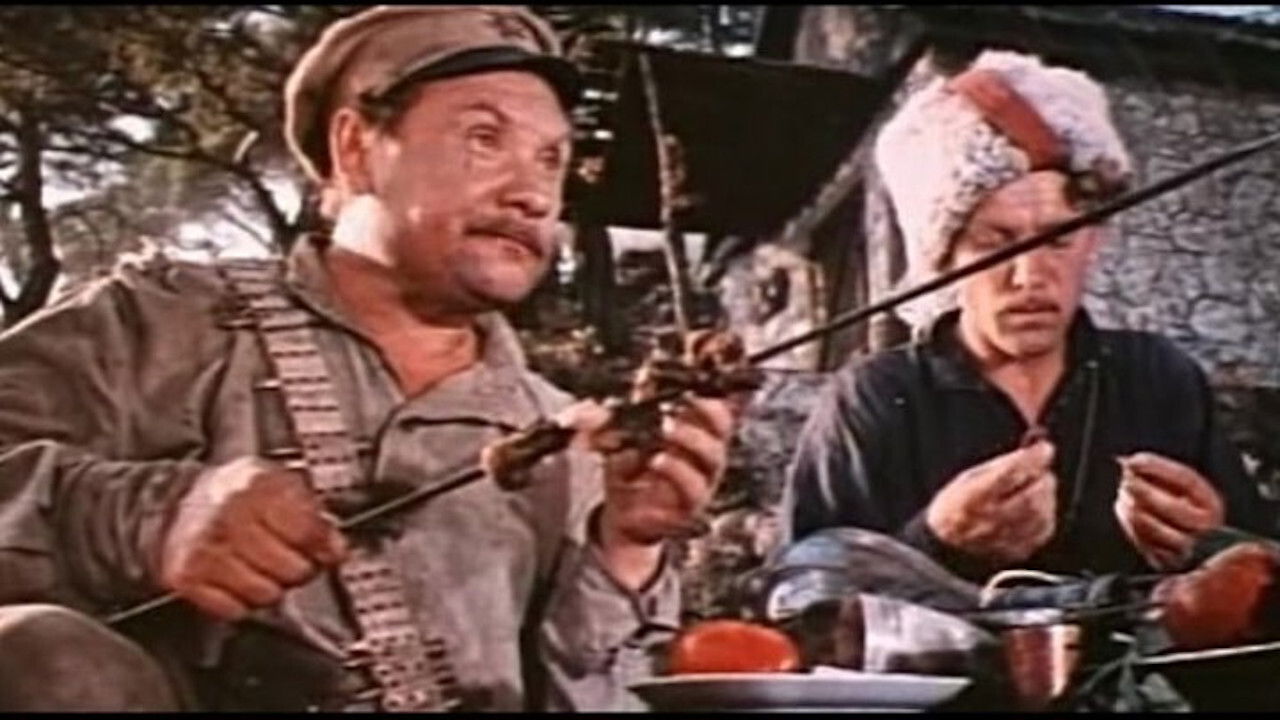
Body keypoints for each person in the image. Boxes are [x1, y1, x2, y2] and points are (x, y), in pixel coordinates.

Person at [0, 5, 736, 711]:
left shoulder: (572, 440)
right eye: (485, 138)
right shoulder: (161, 324)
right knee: (41, 653)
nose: (533, 195)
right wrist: (146, 519)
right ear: (355, 148)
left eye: (552, 160)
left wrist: (625, 553)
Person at [781, 49, 1272, 594]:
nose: (1030, 277)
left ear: (1094, 240)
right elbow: (800, 597)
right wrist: (937, 544)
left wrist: (1215, 545)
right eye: (996, 241)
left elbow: (1262, 578)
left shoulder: (1158, 377)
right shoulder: (873, 400)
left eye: (1059, 239)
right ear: (943, 256)